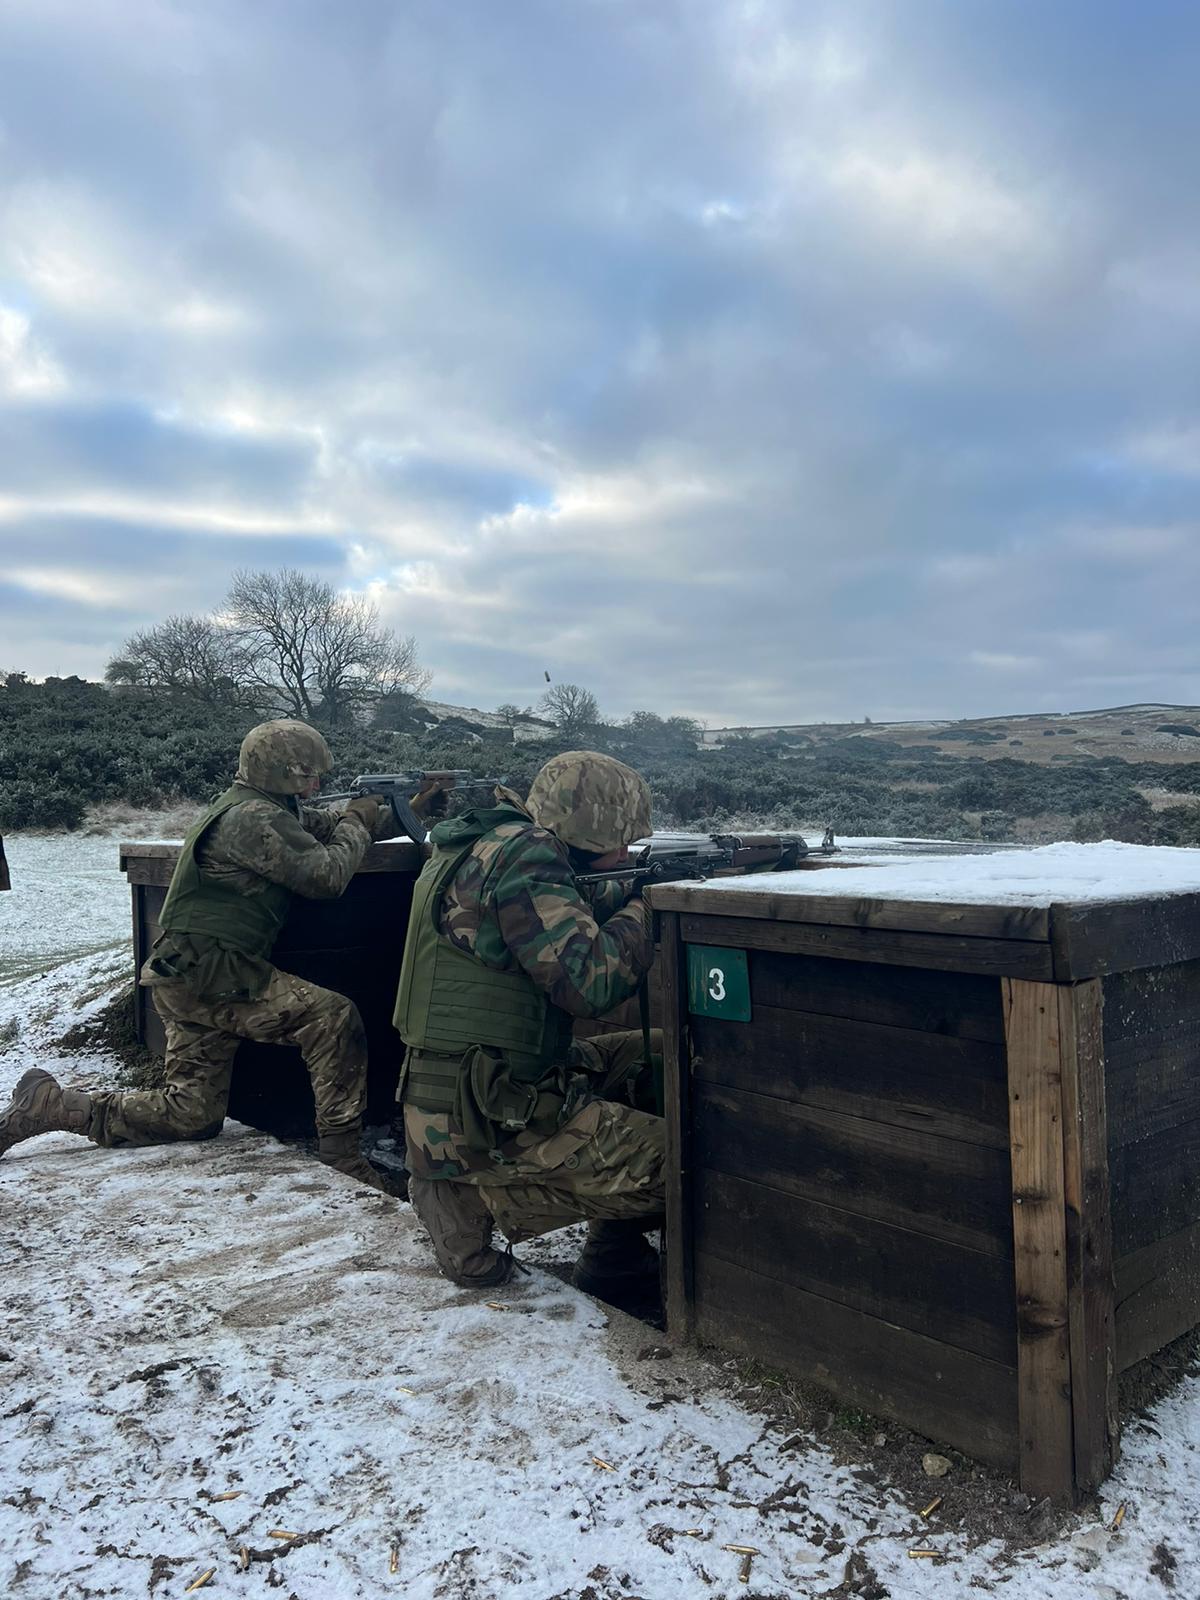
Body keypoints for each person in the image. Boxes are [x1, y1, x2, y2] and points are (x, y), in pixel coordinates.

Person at [0, 719, 404, 1188]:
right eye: (304, 775)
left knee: (191, 1114)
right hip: (216, 973)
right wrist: (358, 820)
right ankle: (343, 1159)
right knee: (333, 1018)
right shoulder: (254, 819)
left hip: (185, 973)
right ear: (275, 771)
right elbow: (327, 874)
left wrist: (402, 808)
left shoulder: (256, 807)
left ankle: (55, 1106)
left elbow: (331, 825)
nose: (315, 784)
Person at [395, 749, 664, 1296]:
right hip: (488, 1116)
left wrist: (633, 883)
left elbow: (558, 905)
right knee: (683, 1164)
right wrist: (648, 906)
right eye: (621, 840)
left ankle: (612, 1257)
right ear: (591, 828)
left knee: (652, 1053)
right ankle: (478, 1199)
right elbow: (594, 983)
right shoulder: (529, 853)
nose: (625, 851)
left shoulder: (488, 842)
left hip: (464, 1090)